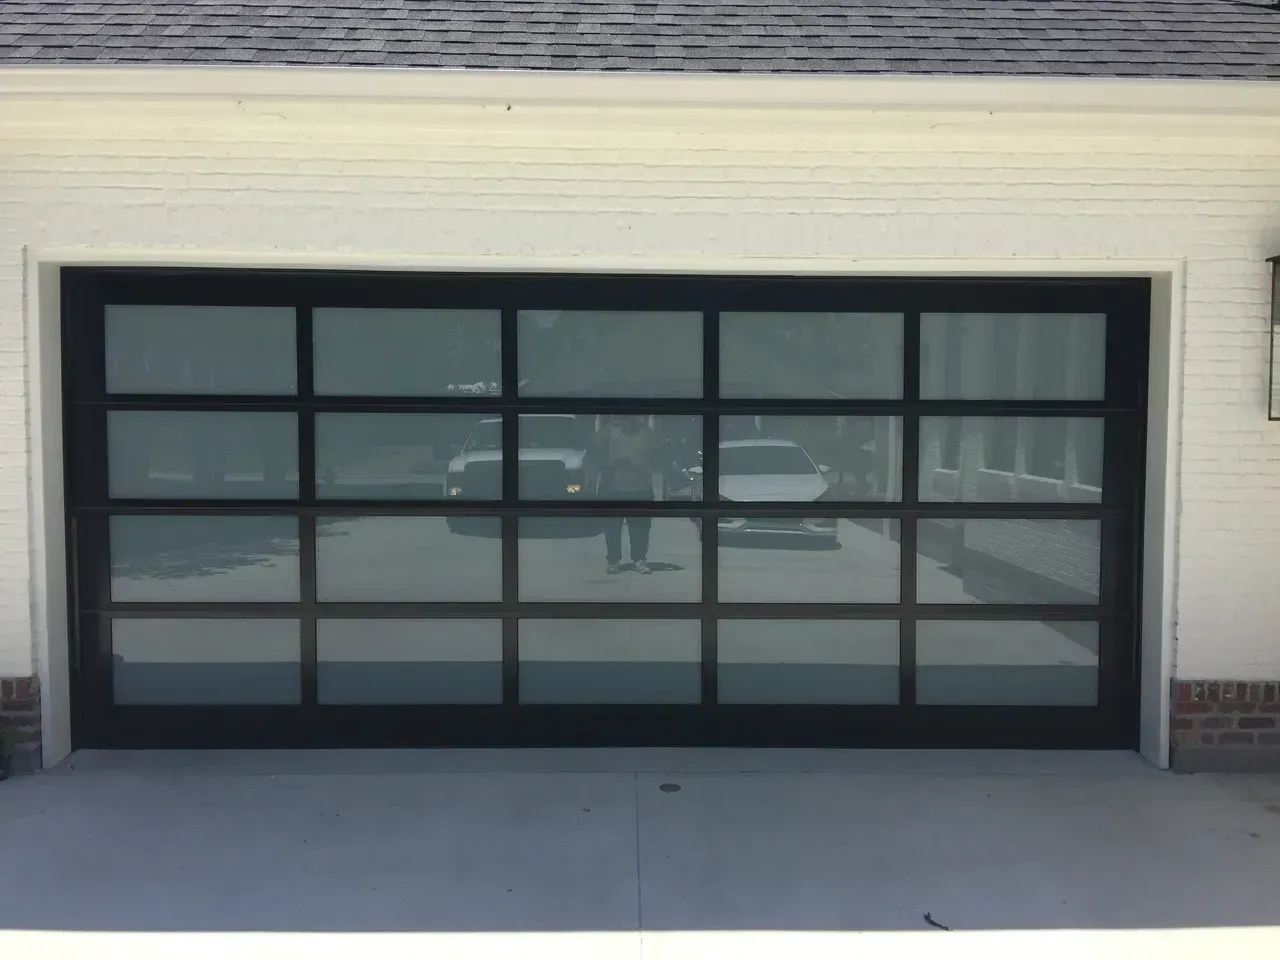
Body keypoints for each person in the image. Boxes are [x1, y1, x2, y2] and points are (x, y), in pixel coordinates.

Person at [593, 415, 663, 574]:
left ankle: (639, 559)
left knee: (640, 529)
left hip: (641, 489)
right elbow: (596, 443)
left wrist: (645, 426)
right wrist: (609, 422)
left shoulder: (645, 433)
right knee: (612, 529)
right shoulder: (611, 431)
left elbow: (659, 446)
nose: (628, 420)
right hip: (612, 489)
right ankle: (613, 561)